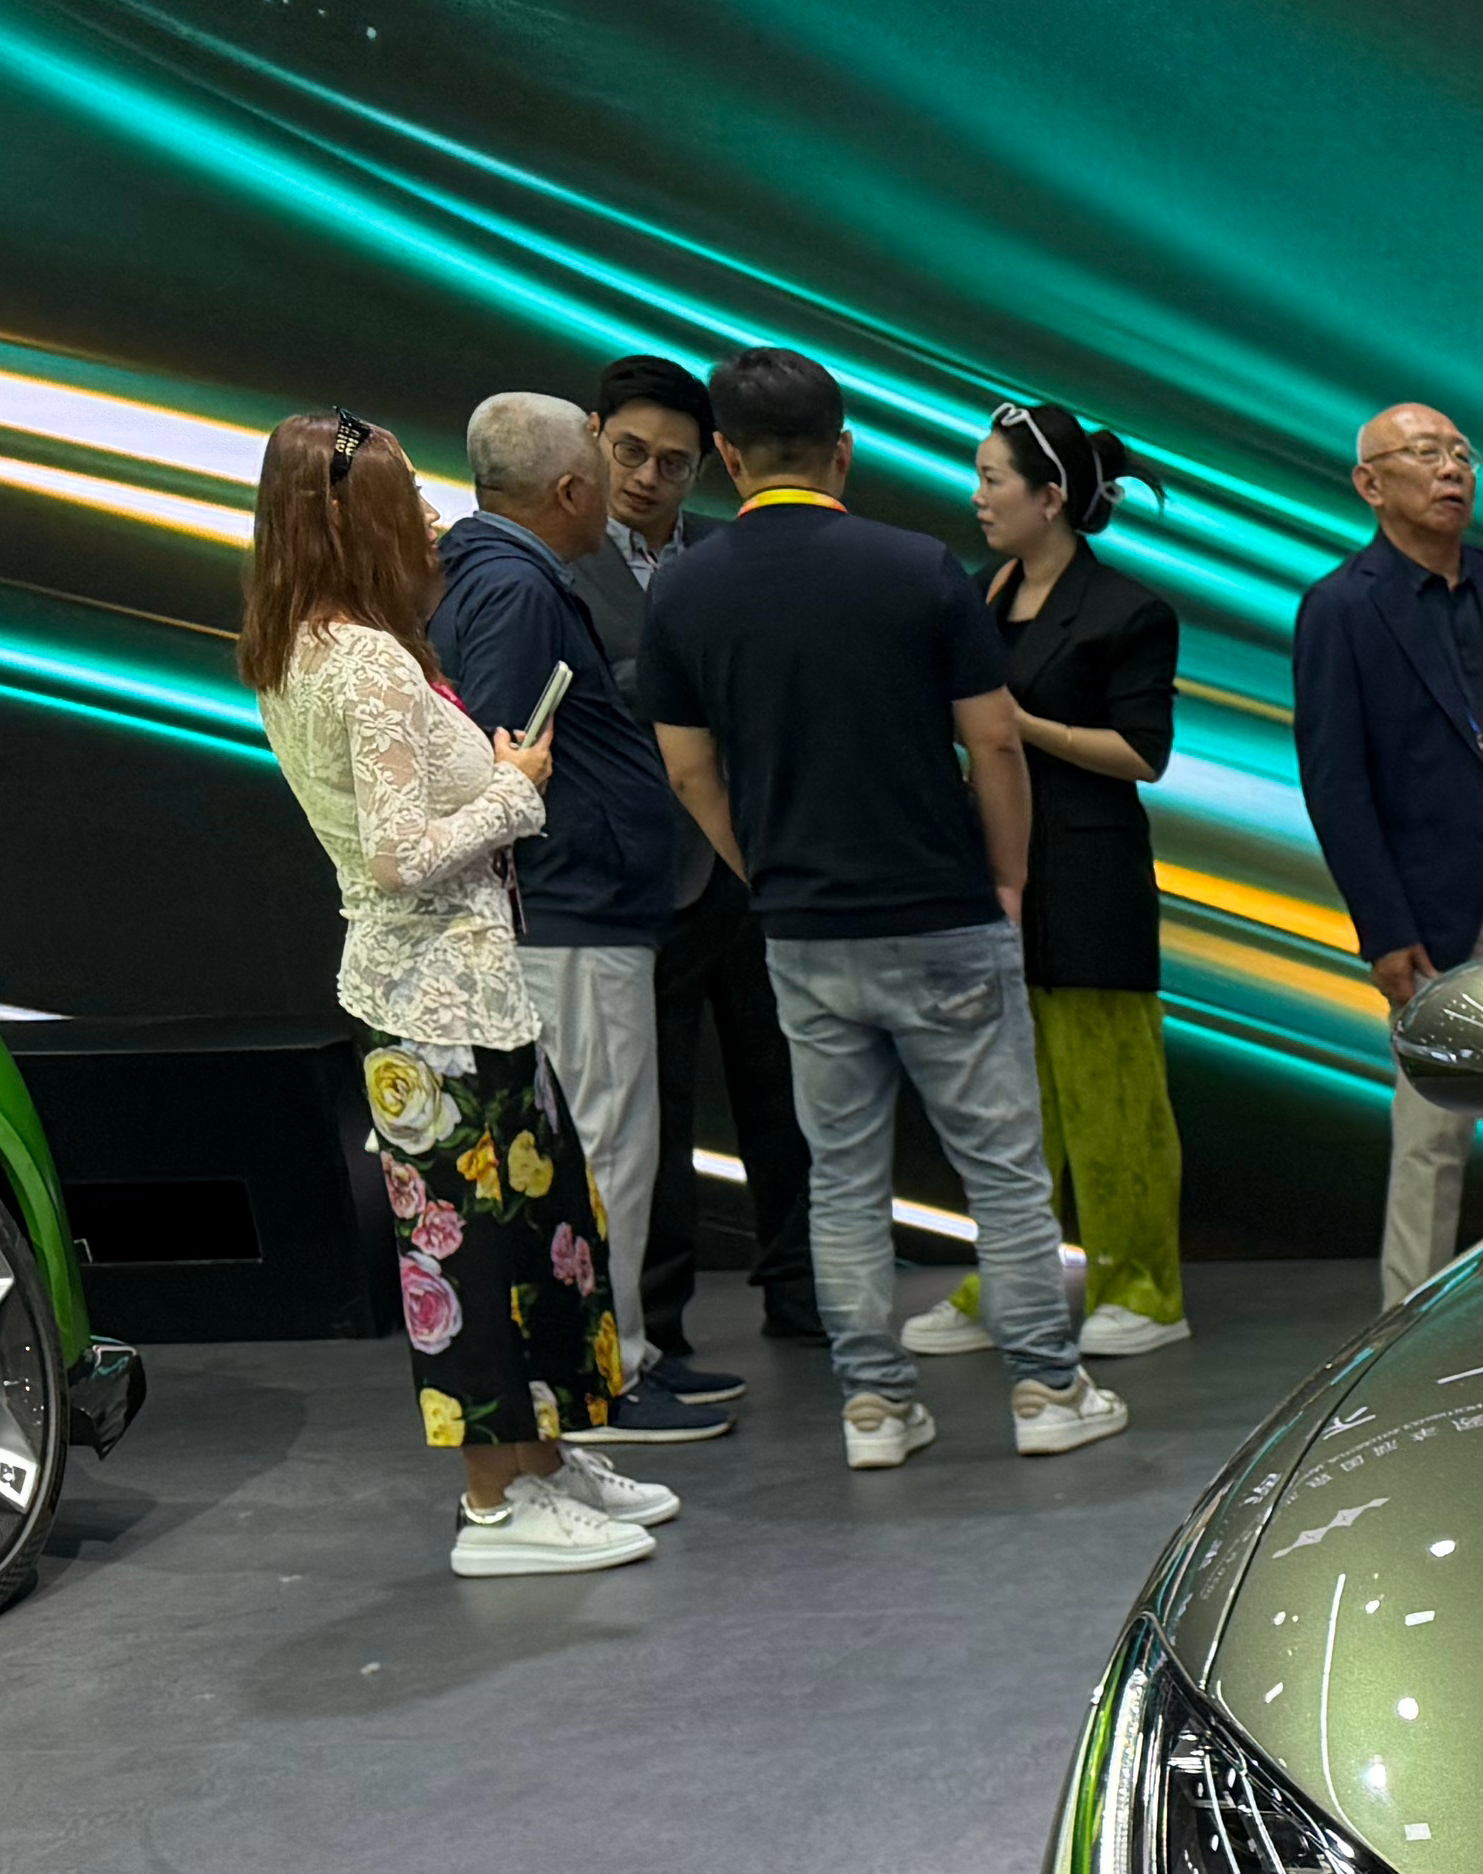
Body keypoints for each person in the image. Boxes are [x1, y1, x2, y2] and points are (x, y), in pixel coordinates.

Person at [638, 346, 1122, 1471]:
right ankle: (1048, 1390)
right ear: (843, 451)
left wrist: (762, 870)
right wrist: (1008, 880)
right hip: (944, 908)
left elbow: (689, 769)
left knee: (843, 1180)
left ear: (725, 457)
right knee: (1003, 1170)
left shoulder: (686, 590)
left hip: (804, 928)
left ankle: (873, 1409)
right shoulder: (919, 567)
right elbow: (994, 741)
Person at [237, 410, 666, 1577]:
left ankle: (542, 1463)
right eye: (407, 499)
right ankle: (497, 1501)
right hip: (438, 1007)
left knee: (524, 1236)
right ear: (350, 521)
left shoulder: (303, 649)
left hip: (455, 997)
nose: (433, 518)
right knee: (472, 1257)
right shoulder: (367, 664)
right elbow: (396, 856)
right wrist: (517, 791)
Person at [428, 393, 723, 1439]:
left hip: (577, 910)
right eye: (604, 473)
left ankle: (615, 1358)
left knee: (596, 1147)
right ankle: (607, 1375)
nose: (622, 492)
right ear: (567, 490)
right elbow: (498, 754)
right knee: (605, 1151)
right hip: (574, 913)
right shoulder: (516, 587)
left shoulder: (493, 573)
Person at [1295, 398, 1483, 1308]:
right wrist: (1384, 928)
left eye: (1461, 453)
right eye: (1424, 454)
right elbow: (1336, 786)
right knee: (1432, 1133)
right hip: (1430, 911)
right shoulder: (1342, 607)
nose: (1451, 470)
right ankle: (1405, 1335)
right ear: (1370, 484)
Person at [925, 399, 1193, 1359]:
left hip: (1088, 872)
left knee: (1110, 1090)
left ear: (1051, 498)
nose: (978, 494)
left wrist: (1015, 726)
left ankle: (1143, 1287)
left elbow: (1142, 753)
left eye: (993, 478)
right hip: (989, 868)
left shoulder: (1128, 611)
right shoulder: (975, 596)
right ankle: (1009, 1278)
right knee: (1002, 1095)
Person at [591, 348, 818, 1360]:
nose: (648, 477)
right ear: (593, 441)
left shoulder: (736, 553)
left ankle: (803, 1289)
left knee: (792, 1092)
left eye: (674, 462)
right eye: (630, 451)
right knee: (656, 1110)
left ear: (713, 463)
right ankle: (659, 1321)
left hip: (758, 859)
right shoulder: (551, 562)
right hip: (638, 878)